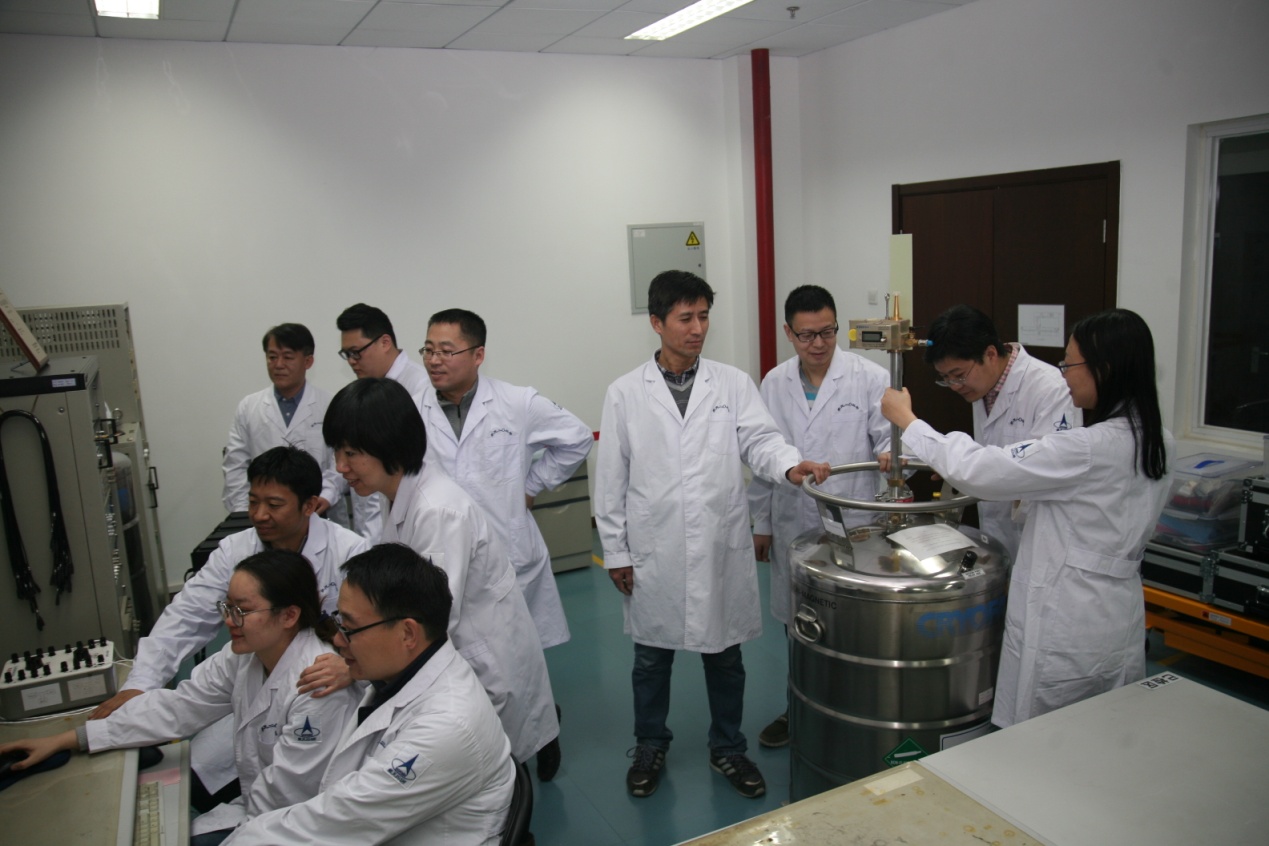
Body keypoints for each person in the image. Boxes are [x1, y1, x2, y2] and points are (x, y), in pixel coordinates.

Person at [594, 270, 829, 799]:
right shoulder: (625, 393)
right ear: (657, 323)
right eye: (685, 318)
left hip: (718, 543)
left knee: (725, 657)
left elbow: (761, 441)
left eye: (703, 317)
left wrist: (788, 465)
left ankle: (728, 747)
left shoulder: (732, 383)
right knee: (651, 659)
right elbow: (610, 480)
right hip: (655, 549)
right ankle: (650, 744)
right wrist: (616, 553)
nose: (698, 328)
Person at [881, 307, 1174, 728]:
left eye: (1070, 365)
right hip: (1114, 606)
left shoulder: (1086, 447)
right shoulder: (1159, 440)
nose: (1064, 375)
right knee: (1104, 726)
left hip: (1065, 610)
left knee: (1049, 731)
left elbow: (984, 469)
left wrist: (909, 423)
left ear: (1104, 369)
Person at [0, 550, 361, 846]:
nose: (229, 621)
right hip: (259, 809)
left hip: (296, 827)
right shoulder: (244, 658)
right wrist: (71, 738)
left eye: (242, 611)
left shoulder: (317, 686)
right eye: (227, 607)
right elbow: (177, 707)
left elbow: (288, 799)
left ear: (289, 616)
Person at [91, 446, 368, 802]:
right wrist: (140, 684)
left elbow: (378, 636)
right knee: (199, 783)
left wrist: (353, 667)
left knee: (293, 789)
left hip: (325, 698)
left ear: (310, 505)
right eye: (253, 502)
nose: (259, 515)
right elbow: (185, 618)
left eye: (274, 504)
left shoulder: (350, 553)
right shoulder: (235, 550)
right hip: (260, 692)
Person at [323, 378, 560, 766]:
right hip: (463, 650)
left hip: (482, 657)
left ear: (389, 445)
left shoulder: (438, 512)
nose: (340, 467)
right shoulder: (397, 492)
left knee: (495, 769)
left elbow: (431, 618)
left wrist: (356, 664)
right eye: (337, 452)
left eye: (350, 453)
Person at [222, 545, 515, 846]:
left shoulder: (447, 726)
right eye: (337, 622)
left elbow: (338, 821)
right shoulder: (394, 675)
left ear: (407, 634)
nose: (337, 640)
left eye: (349, 628)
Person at [416, 308, 591, 781]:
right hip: (443, 559)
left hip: (509, 555)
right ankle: (489, 758)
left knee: (522, 659)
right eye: (428, 349)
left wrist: (531, 486)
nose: (434, 360)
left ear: (478, 355)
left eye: (446, 350)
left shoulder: (516, 402)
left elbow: (576, 439)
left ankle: (545, 736)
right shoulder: (412, 409)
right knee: (464, 664)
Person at [747, 285, 891, 748]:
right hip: (792, 519)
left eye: (827, 332)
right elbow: (763, 456)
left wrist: (892, 454)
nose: (819, 344)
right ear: (788, 333)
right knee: (799, 624)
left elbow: (889, 439)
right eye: (807, 335)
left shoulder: (870, 377)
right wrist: (761, 524)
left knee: (854, 625)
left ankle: (855, 713)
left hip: (856, 523)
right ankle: (800, 708)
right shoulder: (774, 383)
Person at [917, 304, 1081, 561]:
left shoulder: (1052, 390)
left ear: (991, 353)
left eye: (958, 375)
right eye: (945, 378)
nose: (954, 386)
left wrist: (968, 469)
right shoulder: (983, 386)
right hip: (998, 535)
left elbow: (1043, 475)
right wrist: (957, 467)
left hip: (1040, 542)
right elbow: (991, 456)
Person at [221, 323, 348, 530]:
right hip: (264, 518)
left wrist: (326, 494)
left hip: (321, 512)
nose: (278, 364)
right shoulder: (249, 407)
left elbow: (341, 461)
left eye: (288, 357)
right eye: (272, 357)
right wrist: (246, 511)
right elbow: (236, 466)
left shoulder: (330, 404)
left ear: (308, 361)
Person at [336, 303, 430, 542]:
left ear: (385, 342)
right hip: (375, 517)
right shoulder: (363, 391)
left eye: (356, 352)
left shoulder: (421, 390)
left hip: (412, 517)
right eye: (347, 354)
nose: (352, 361)